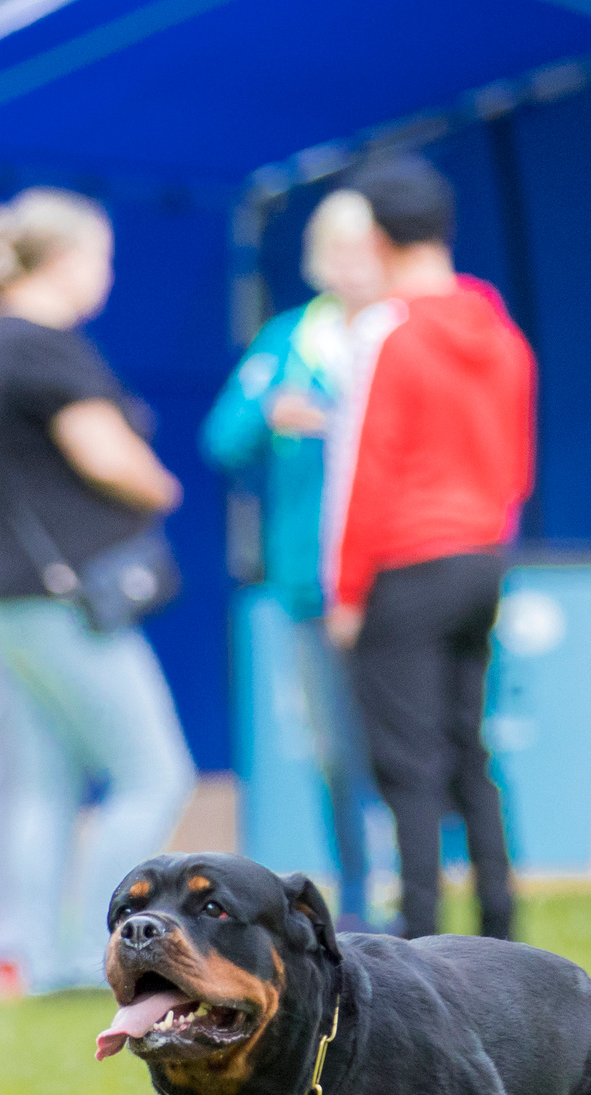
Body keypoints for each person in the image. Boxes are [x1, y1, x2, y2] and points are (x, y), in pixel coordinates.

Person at [0, 187, 197, 996]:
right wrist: (159, 484)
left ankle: (39, 960)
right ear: (67, 260)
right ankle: (109, 959)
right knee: (155, 774)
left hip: (5, 599)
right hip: (62, 601)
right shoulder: (46, 347)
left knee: (44, 784)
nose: (107, 278)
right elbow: (103, 452)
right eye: (103, 259)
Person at [324, 156, 536, 942]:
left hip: (406, 563)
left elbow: (361, 469)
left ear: (377, 237)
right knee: (467, 749)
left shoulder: (386, 331)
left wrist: (344, 592)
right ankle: (500, 924)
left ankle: (416, 936)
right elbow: (515, 459)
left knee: (407, 765)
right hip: (483, 556)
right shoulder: (499, 329)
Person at [201, 189, 382, 930]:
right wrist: (271, 408)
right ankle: (363, 898)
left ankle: (432, 892)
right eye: (333, 248)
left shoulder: (401, 331)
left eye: (360, 247)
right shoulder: (288, 340)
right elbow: (223, 440)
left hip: (394, 576)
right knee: (335, 748)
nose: (347, 265)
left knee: (409, 742)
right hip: (310, 581)